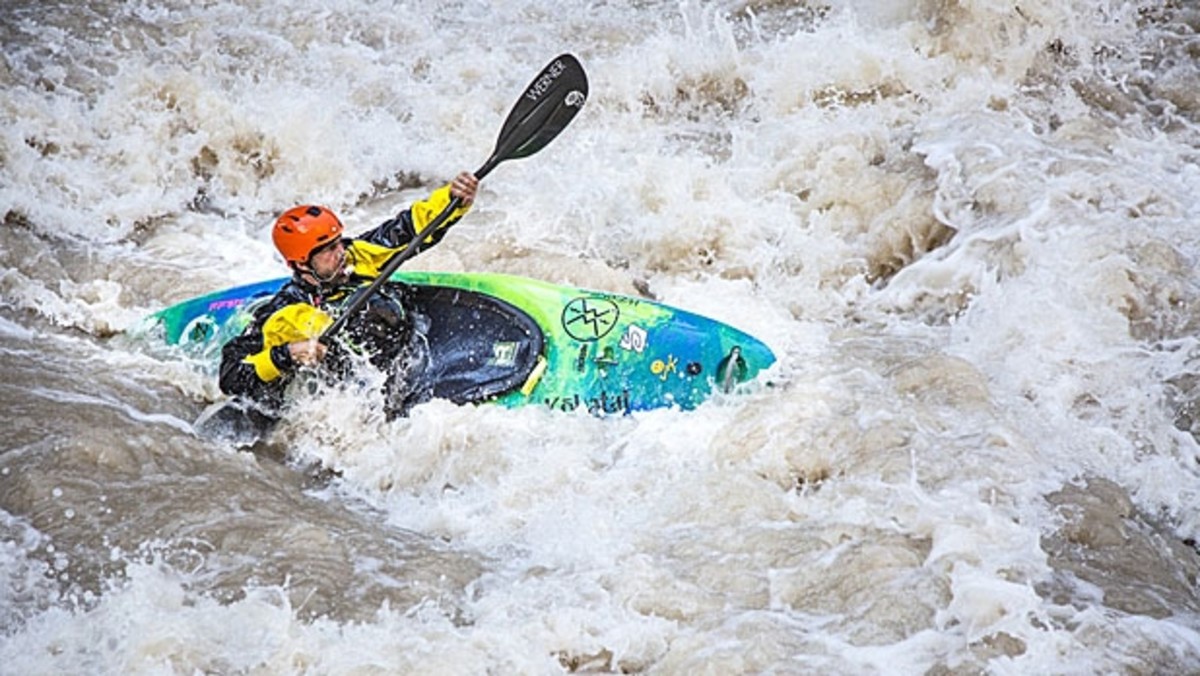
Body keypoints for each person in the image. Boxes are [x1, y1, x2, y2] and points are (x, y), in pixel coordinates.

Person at [217, 172, 480, 423]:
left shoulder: (356, 256)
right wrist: (286, 355)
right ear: (301, 265)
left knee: (380, 306)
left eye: (339, 242)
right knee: (369, 313)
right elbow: (230, 374)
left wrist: (453, 199)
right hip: (357, 394)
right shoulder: (284, 314)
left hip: (406, 358)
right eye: (329, 250)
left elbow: (408, 228)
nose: (341, 252)